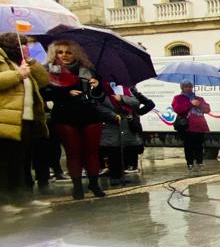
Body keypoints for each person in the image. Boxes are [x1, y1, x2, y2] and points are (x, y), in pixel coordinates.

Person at [43, 40, 107, 200]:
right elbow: (44, 93)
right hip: (65, 115)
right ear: (54, 53)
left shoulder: (88, 70)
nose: (64, 55)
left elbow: (101, 95)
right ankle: (77, 186)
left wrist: (96, 86)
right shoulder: (48, 70)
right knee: (73, 152)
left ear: (76, 54)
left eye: (68, 52)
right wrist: (65, 94)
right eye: (60, 52)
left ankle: (94, 183)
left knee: (92, 152)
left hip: (89, 113)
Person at [0, 32, 50, 210]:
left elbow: (44, 80)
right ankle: (5, 201)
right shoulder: (3, 61)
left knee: (22, 161)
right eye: (21, 45)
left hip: (26, 118)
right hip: (6, 119)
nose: (24, 48)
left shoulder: (20, 62)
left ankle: (23, 198)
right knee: (6, 162)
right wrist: (18, 75)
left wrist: (30, 62)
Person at [97, 84, 142, 186]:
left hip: (125, 125)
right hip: (110, 124)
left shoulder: (125, 88)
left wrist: (121, 98)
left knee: (123, 150)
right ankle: (114, 176)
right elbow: (98, 105)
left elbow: (136, 102)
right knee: (113, 151)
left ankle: (121, 175)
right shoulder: (101, 90)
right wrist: (112, 115)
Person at [172, 82, 211, 172]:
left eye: (190, 86)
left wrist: (200, 104)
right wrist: (191, 104)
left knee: (199, 146)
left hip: (199, 126)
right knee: (188, 146)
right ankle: (190, 163)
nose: (188, 88)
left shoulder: (199, 98)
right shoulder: (178, 98)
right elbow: (178, 109)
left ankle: (200, 161)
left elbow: (207, 110)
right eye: (186, 86)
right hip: (187, 126)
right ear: (182, 88)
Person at [123, 86, 154, 174]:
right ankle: (128, 165)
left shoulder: (135, 94)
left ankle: (132, 165)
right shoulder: (134, 93)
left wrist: (138, 112)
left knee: (132, 143)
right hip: (127, 122)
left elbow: (150, 104)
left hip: (132, 122)